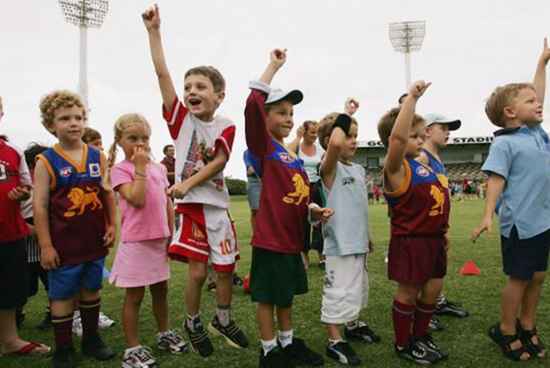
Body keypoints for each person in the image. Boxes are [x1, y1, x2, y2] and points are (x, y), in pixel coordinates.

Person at [142, 4, 248, 356]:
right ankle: (191, 320)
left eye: (201, 86)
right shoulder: (180, 120)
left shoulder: (226, 124)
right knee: (199, 274)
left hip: (217, 205)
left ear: (219, 94)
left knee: (225, 269)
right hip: (193, 209)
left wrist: (187, 182)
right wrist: (154, 32)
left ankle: (222, 317)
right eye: (188, 86)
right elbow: (162, 74)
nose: (191, 90)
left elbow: (219, 161)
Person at [245, 48, 333, 368]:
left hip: (291, 240)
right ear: (265, 118)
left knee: (285, 296)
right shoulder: (263, 147)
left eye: (291, 113)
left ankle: (287, 342)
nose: (288, 118)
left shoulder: (290, 155)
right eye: (280, 112)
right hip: (271, 240)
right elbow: (252, 105)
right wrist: (272, 67)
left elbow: (296, 195)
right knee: (269, 297)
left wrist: (313, 209)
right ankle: (269, 351)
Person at [471, 39, 550, 362]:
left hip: (543, 221)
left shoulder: (534, 132)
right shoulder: (505, 144)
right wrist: (488, 214)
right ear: (510, 112)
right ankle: (505, 329)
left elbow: (538, 94)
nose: (539, 103)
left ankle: (526, 324)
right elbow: (495, 180)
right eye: (530, 101)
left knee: (538, 276)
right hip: (521, 223)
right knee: (519, 279)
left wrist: (542, 63)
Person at [33, 90, 117, 368]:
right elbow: (41, 206)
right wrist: (45, 245)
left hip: (93, 240)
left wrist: (111, 224)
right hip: (63, 245)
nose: (74, 123)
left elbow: (106, 195)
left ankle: (92, 340)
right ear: (50, 125)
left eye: (78, 117)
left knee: (92, 290)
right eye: (65, 118)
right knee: (63, 296)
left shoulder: (97, 155)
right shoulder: (45, 161)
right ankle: (63, 349)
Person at [107, 113, 187, 368]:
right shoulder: (120, 170)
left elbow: (167, 202)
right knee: (135, 296)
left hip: (159, 240)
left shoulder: (160, 168)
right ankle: (132, 349)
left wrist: (171, 234)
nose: (140, 143)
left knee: (161, 291)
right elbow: (137, 198)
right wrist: (140, 168)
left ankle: (163, 333)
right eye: (133, 138)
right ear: (120, 141)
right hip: (137, 243)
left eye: (145, 138)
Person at [378, 81, 448, 365]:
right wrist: (412, 100)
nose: (420, 140)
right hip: (411, 240)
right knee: (409, 291)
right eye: (414, 135)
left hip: (433, 239)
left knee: (433, 287)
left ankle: (420, 336)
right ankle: (403, 343)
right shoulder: (395, 167)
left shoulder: (422, 165)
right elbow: (396, 140)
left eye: (421, 135)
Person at [317, 112, 379, 366]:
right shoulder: (329, 168)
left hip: (358, 241)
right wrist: (347, 114)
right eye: (348, 136)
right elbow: (334, 144)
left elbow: (359, 206)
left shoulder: (359, 168)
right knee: (338, 291)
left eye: (356, 136)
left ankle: (352, 324)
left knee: (357, 288)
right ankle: (334, 340)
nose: (353, 141)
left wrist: (368, 235)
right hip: (339, 244)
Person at [0, 96, 51, 356]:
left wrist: (20, 193)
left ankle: (10, 341)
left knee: (10, 290)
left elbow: (25, 186)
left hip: (10, 234)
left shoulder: (12, 152)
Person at [417, 113, 469, 332]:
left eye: (450, 128)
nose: (448, 132)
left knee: (434, 271)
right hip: (424, 229)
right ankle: (419, 316)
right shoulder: (422, 157)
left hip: (437, 227)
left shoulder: (436, 157)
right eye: (443, 127)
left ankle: (433, 307)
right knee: (422, 273)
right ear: (427, 130)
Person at [20, 143, 51, 330]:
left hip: (46, 243)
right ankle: (16, 313)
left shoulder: (51, 185)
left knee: (51, 281)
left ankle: (53, 313)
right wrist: (29, 229)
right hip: (24, 242)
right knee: (24, 284)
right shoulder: (22, 188)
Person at [288, 120, 325, 268]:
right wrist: (297, 137)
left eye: (317, 133)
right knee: (302, 222)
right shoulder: (297, 147)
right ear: (304, 132)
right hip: (301, 187)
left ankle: (322, 255)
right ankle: (304, 255)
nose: (315, 136)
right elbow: (286, 153)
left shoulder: (320, 149)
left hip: (317, 186)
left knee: (319, 220)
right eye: (312, 132)